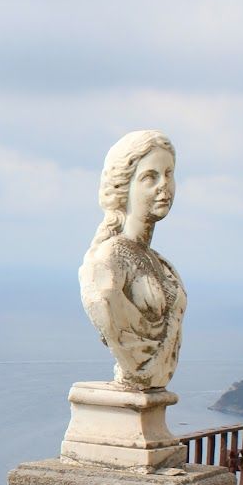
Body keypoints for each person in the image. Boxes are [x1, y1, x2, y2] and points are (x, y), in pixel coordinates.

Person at [79, 129, 185, 390]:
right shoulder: (110, 259)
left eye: (168, 174)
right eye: (150, 177)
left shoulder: (160, 263)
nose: (163, 185)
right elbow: (104, 303)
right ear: (124, 187)